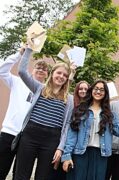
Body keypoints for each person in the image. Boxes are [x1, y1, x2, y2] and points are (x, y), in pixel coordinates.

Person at [14, 43, 74, 180]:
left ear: (67, 79)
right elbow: (22, 72)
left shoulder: (68, 99)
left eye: (65, 75)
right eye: (59, 73)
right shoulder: (39, 88)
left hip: (52, 139)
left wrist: (60, 147)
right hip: (30, 134)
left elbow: (67, 126)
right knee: (21, 175)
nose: (61, 76)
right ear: (52, 74)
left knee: (43, 176)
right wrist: (29, 50)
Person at [61, 80, 119, 180]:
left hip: (100, 155)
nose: (98, 92)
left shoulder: (109, 114)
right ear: (91, 90)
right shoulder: (81, 110)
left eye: (102, 90)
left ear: (105, 93)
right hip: (81, 153)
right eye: (96, 89)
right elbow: (72, 134)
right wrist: (67, 155)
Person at [0, 47, 48, 179]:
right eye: (38, 67)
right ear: (32, 70)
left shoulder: (46, 92)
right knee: (1, 169)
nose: (40, 70)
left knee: (21, 174)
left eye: (44, 69)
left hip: (28, 138)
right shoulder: (17, 81)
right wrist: (18, 55)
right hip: (9, 133)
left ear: (47, 75)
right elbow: (2, 71)